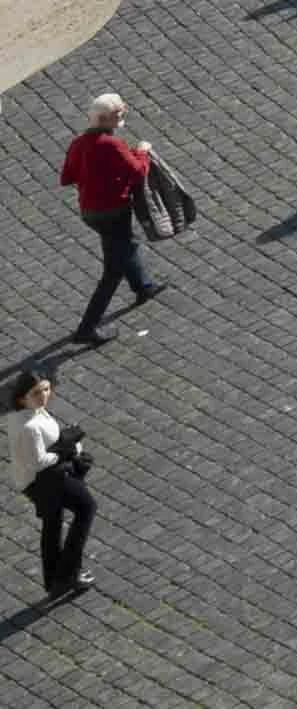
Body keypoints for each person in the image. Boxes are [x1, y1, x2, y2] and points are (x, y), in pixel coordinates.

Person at [50, 105, 156, 351]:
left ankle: (143, 286)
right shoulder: (112, 145)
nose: (122, 118)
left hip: (91, 213)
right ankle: (86, 329)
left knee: (125, 245)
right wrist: (142, 152)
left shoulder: (79, 143)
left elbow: (66, 178)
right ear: (103, 119)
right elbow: (139, 171)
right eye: (118, 115)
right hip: (114, 211)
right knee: (113, 270)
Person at [16, 360, 79, 600]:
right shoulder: (28, 424)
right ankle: (66, 574)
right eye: (37, 392)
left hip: (48, 476)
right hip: (45, 478)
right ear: (23, 398)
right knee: (85, 509)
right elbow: (38, 460)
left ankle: (57, 579)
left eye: (46, 389)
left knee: (54, 522)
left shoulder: (36, 414)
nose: (44, 395)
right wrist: (65, 449)